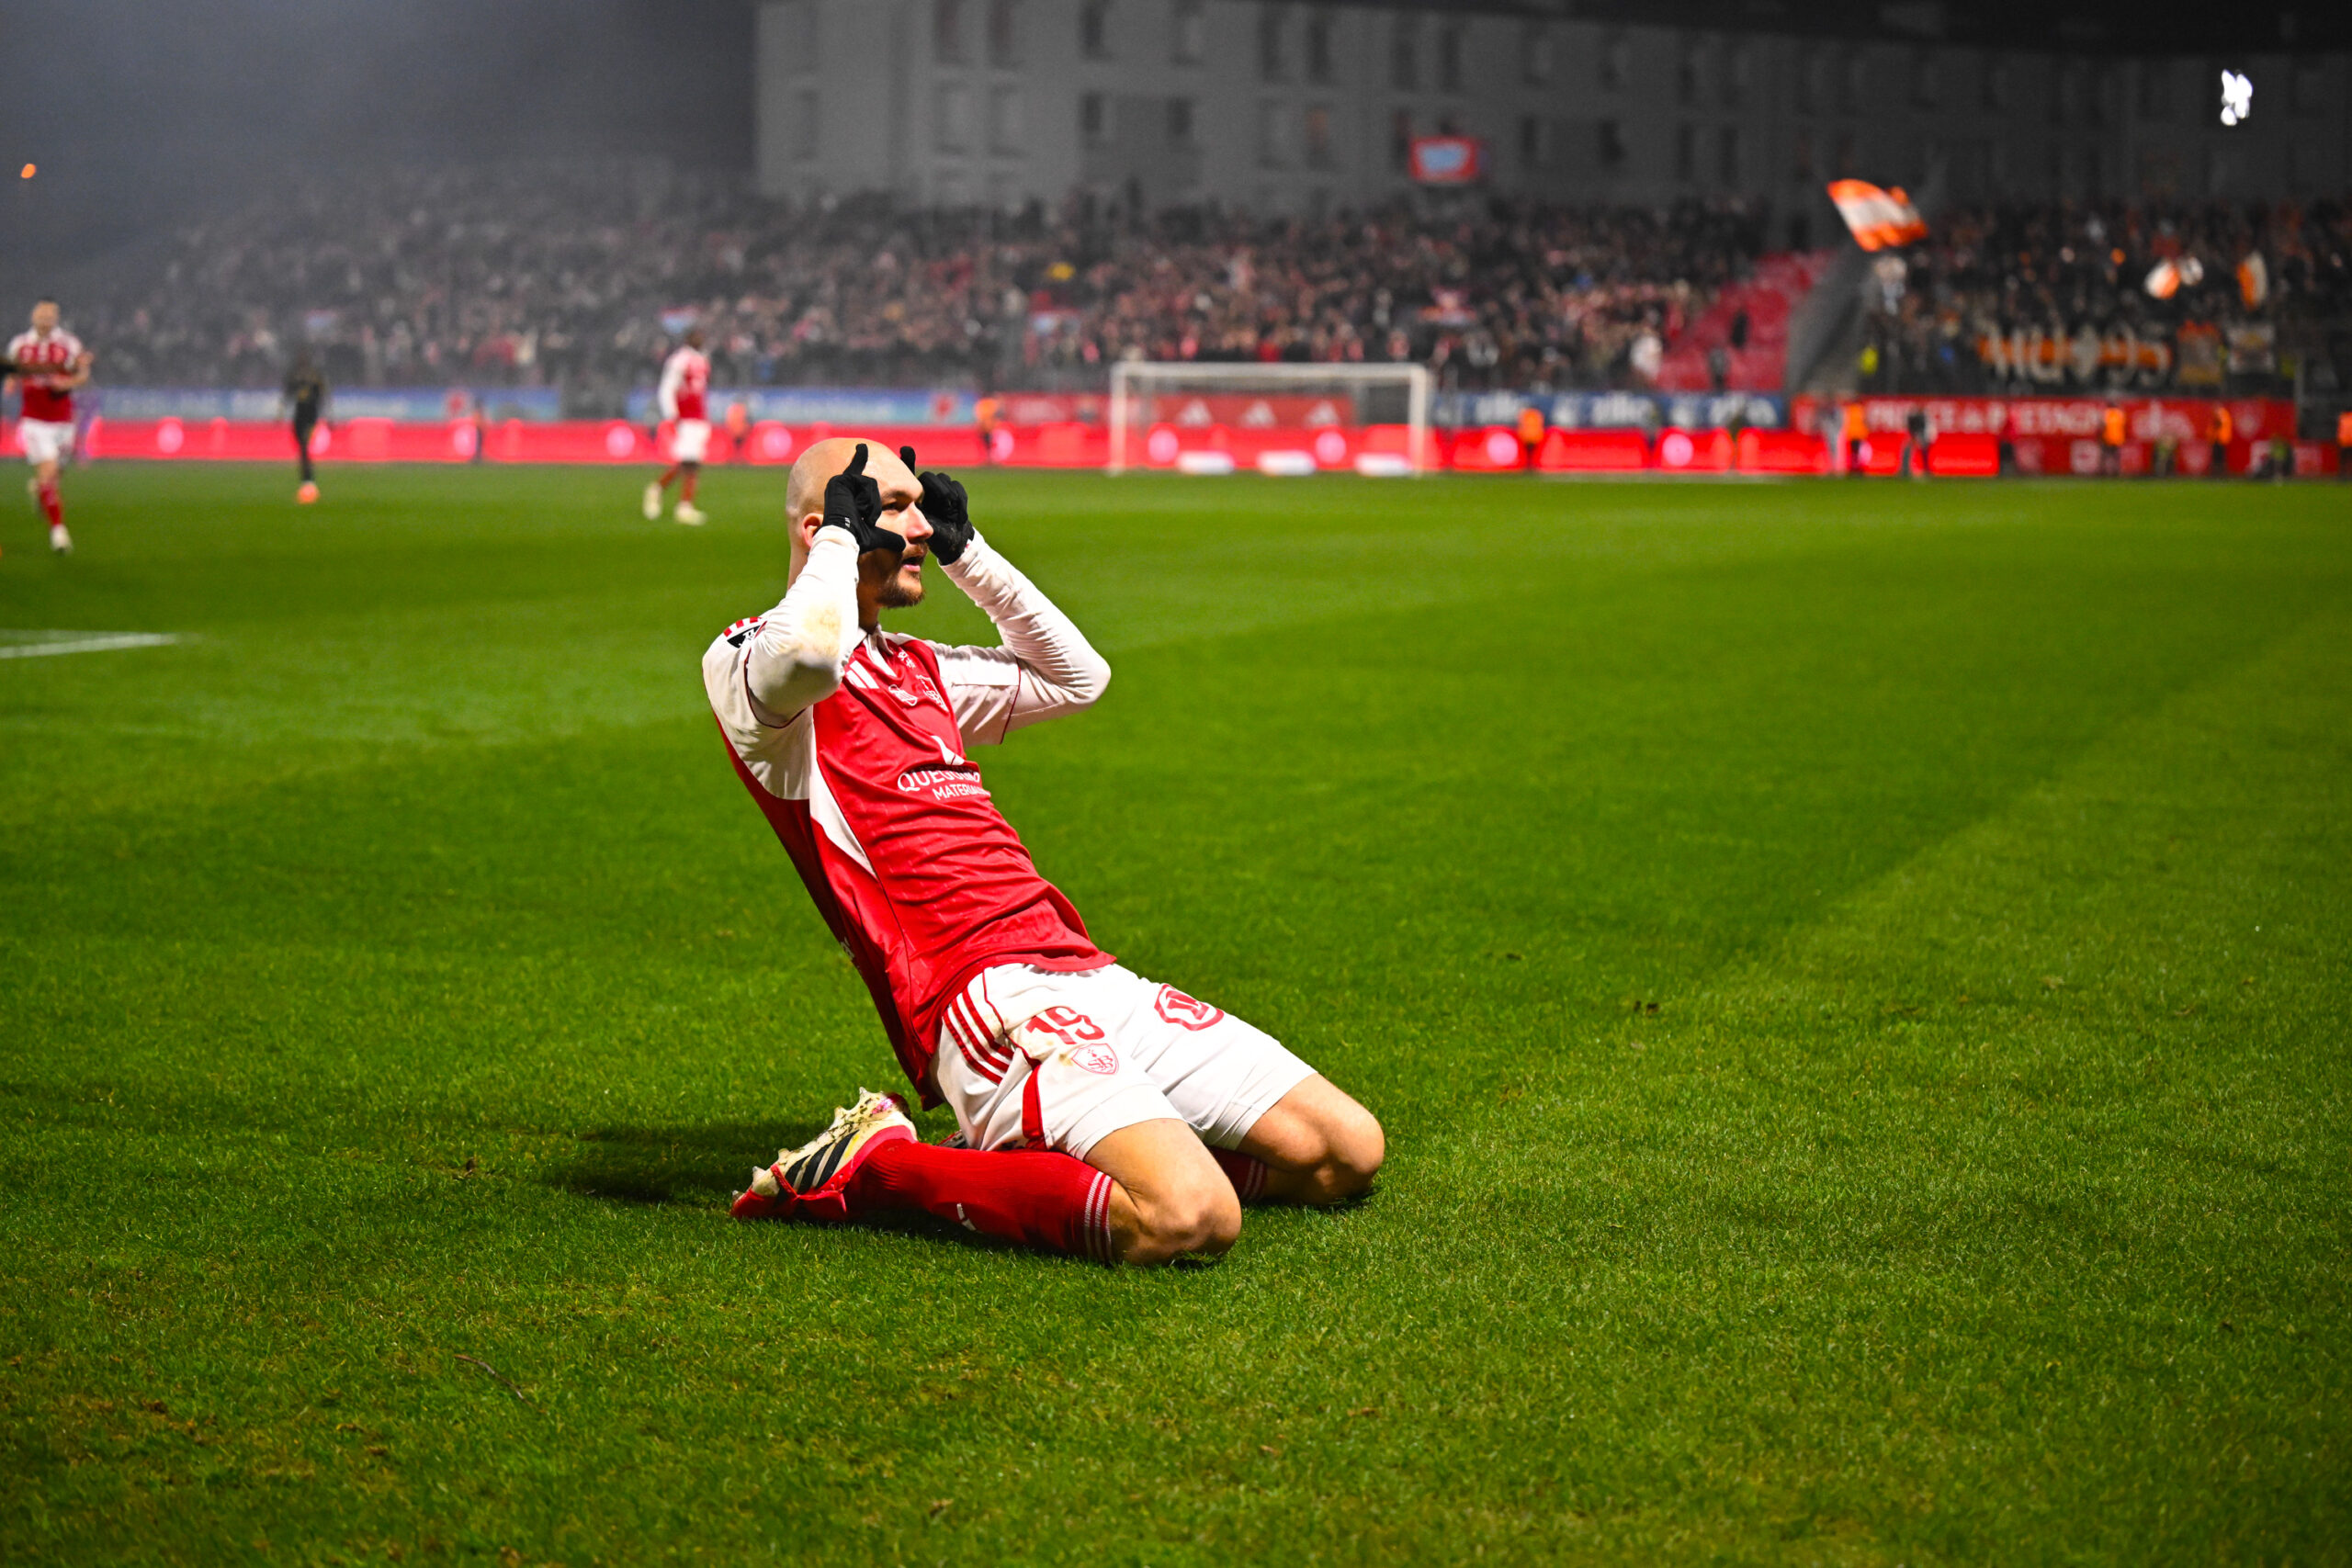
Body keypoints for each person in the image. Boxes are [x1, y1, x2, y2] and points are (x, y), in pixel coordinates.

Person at [705, 440, 1383, 1265]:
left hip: (1085, 969)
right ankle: (879, 1164)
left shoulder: (921, 668)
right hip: (981, 998)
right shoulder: (750, 665)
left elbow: (1077, 677)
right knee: (1187, 1217)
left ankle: (1049, 1143)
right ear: (823, 528)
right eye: (892, 506)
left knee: (1345, 1151)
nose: (918, 524)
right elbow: (807, 656)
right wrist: (842, 544)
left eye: (923, 506)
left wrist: (970, 554)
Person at [6, 299, 92, 555]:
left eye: (50, 315)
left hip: (63, 419)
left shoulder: (68, 343)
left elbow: (83, 373)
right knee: (49, 468)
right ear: (34, 316)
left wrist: (68, 384)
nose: (45, 319)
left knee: (55, 475)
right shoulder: (20, 344)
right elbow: (12, 371)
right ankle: (58, 532)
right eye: (41, 314)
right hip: (34, 420)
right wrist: (11, 383)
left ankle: (40, 489)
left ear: (56, 318)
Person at [642, 328, 711, 525]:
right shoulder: (679, 360)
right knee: (688, 461)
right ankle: (662, 493)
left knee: (693, 463)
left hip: (699, 417)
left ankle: (680, 503)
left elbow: (700, 390)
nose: (701, 339)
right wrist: (672, 414)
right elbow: (667, 387)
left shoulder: (703, 360)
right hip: (685, 417)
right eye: (697, 336)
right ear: (689, 339)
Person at [285, 353, 328, 502]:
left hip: (310, 416)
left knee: (304, 446)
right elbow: (287, 394)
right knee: (301, 447)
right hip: (299, 415)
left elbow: (323, 395)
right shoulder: (295, 377)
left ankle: (308, 481)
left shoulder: (315, 377)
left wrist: (327, 416)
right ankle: (307, 479)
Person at [1516, 400, 1547, 472]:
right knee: (1531, 453)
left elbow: (1522, 425)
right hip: (1534, 436)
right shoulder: (1537, 414)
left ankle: (1529, 465)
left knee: (1529, 453)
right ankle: (1531, 465)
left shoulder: (1526, 414)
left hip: (1527, 436)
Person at [2206, 402, 2233, 479]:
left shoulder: (2221, 414)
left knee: (2218, 457)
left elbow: (2219, 424)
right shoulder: (2224, 414)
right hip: (2219, 439)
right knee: (2219, 457)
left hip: (2219, 439)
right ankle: (2219, 474)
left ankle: (2218, 474)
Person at [974, 393, 1002, 465]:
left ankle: (989, 459)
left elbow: (980, 417)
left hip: (987, 428)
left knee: (988, 444)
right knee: (987, 444)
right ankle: (988, 459)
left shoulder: (984, 404)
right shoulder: (989, 404)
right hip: (986, 428)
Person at [2100, 401, 2126, 478]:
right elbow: (2123, 426)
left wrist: (2100, 437)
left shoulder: (2106, 413)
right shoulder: (2120, 413)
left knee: (2106, 456)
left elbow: (2103, 425)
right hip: (2118, 438)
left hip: (2107, 437)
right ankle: (2116, 471)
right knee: (2116, 456)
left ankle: (2105, 471)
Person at [2336, 407, 2352, 482]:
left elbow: (2340, 430)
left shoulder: (2342, 418)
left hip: (2344, 442)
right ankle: (2348, 474)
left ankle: (2342, 475)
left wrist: (2339, 439)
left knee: (2343, 460)